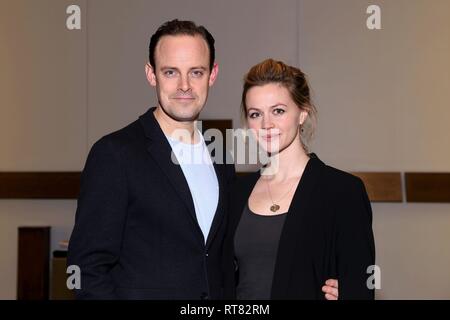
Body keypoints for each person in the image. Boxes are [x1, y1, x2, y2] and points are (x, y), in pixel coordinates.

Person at [68, 19, 339, 300]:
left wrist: (327, 285)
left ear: (212, 75)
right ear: (151, 75)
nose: (184, 85)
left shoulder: (221, 155)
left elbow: (237, 259)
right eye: (171, 72)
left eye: (196, 72)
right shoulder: (115, 154)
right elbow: (86, 268)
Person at [223, 59, 375, 300]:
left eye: (278, 111)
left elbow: (360, 286)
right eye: (255, 114)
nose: (266, 124)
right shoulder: (236, 192)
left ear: (302, 113)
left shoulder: (342, 192)